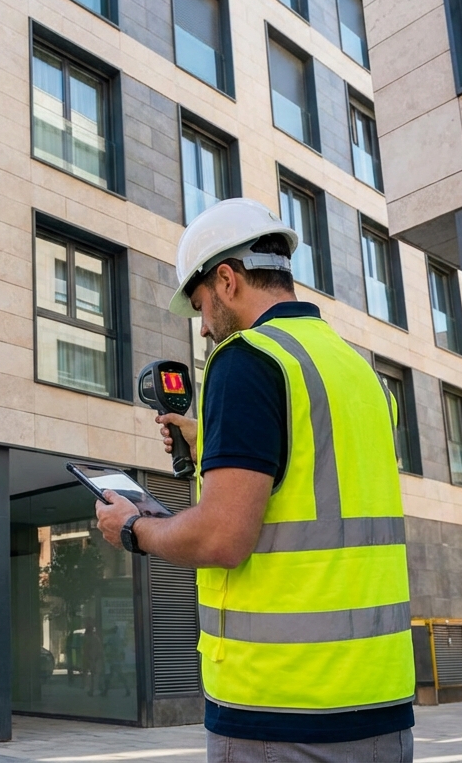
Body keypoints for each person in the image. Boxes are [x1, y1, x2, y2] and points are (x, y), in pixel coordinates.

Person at [95, 198, 416, 762]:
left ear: (226, 279)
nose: (202, 328)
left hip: (280, 710)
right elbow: (317, 479)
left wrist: (133, 527)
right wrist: (216, 441)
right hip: (380, 706)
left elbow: (223, 537)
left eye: (200, 306)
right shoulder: (358, 371)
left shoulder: (246, 360)